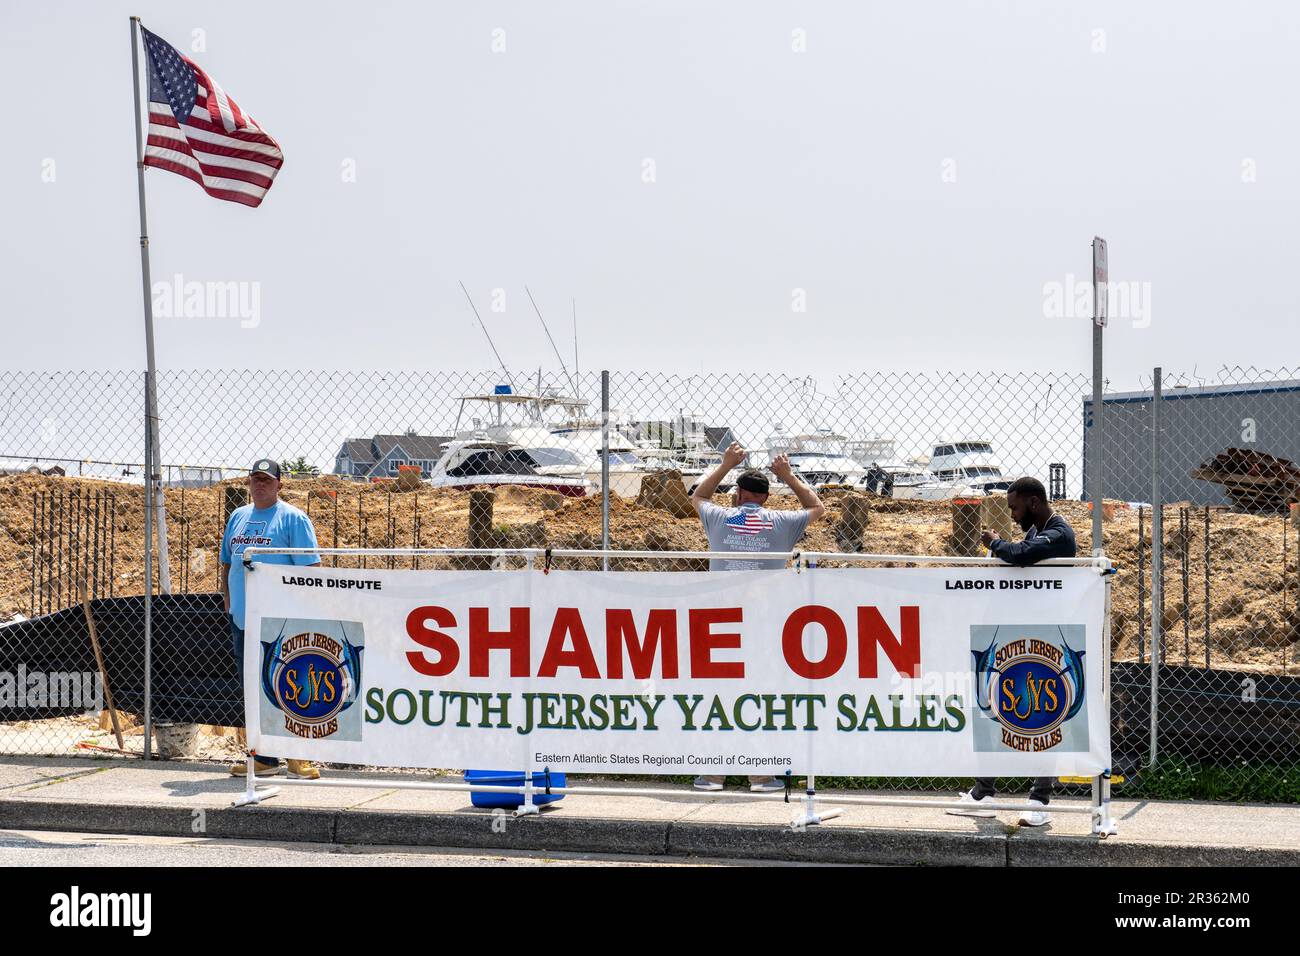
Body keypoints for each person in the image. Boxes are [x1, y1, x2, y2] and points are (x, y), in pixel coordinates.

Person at [688, 441, 826, 793]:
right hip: (764, 622)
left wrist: (724, 464)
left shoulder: (719, 517)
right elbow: (816, 507)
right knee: (759, 696)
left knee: (719, 697)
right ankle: (760, 775)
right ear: (765, 498)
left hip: (719, 621)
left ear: (737, 495)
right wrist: (789, 476)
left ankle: (713, 774)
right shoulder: (781, 522)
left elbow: (698, 497)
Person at [947, 475, 1077, 827]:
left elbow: (1022, 555)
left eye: (1015, 507)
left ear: (1034, 502)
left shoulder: (1059, 534)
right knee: (993, 710)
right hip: (1021, 638)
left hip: (1049, 643)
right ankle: (983, 792)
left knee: (1044, 717)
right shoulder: (1037, 531)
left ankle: (1039, 800)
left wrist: (997, 543)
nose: (1013, 514)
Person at [220, 459, 323, 779]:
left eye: (267, 480)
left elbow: (310, 571)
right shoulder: (237, 517)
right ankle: (264, 757)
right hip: (243, 621)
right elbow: (227, 563)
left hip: (282, 622)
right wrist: (228, 600)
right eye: (255, 479)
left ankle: (298, 756)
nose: (260, 485)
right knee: (254, 689)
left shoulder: (294, 519)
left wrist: (304, 613)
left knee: (289, 687)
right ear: (248, 483)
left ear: (280, 484)